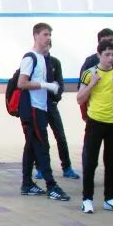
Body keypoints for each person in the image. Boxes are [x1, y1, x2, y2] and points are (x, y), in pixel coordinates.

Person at [16, 23, 71, 201]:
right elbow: (21, 83)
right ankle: (51, 185)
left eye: (50, 35)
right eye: (45, 34)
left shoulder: (43, 58)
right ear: (36, 36)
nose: (48, 38)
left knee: (31, 146)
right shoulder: (30, 58)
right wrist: (45, 85)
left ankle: (26, 183)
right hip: (32, 109)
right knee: (42, 145)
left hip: (40, 108)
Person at [77, 38, 113, 214]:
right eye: (107, 55)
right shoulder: (90, 73)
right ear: (99, 55)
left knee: (111, 162)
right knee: (91, 161)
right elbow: (79, 98)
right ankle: (87, 199)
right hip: (95, 121)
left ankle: (110, 198)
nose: (111, 58)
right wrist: (92, 84)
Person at [33, 53, 80, 181]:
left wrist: (56, 98)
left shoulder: (55, 62)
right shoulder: (34, 60)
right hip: (38, 105)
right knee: (41, 137)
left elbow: (59, 83)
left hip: (51, 105)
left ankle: (67, 167)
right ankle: (41, 168)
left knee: (60, 136)